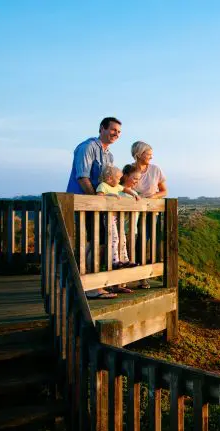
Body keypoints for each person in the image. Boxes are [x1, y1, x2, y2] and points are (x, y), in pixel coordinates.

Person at [67, 118, 122, 299]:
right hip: (83, 204)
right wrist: (96, 201)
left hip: (98, 207)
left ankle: (94, 285)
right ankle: (89, 288)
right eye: (113, 130)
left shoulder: (109, 156)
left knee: (99, 244)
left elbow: (108, 182)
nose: (116, 134)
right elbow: (82, 177)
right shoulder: (87, 147)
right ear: (102, 128)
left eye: (119, 132)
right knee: (87, 245)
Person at [130, 142, 167, 289]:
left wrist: (153, 198)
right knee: (137, 244)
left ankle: (148, 275)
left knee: (153, 243)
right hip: (134, 213)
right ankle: (139, 277)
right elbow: (123, 187)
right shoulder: (129, 169)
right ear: (139, 154)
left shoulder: (155, 169)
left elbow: (164, 191)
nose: (151, 156)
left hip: (152, 212)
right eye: (148, 153)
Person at [95, 166, 138, 280]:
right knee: (114, 238)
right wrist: (110, 196)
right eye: (118, 178)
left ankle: (125, 259)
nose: (120, 180)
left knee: (122, 238)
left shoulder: (117, 186)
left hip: (118, 218)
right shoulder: (103, 186)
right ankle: (115, 261)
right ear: (109, 178)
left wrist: (134, 194)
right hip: (109, 217)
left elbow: (125, 189)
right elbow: (99, 196)